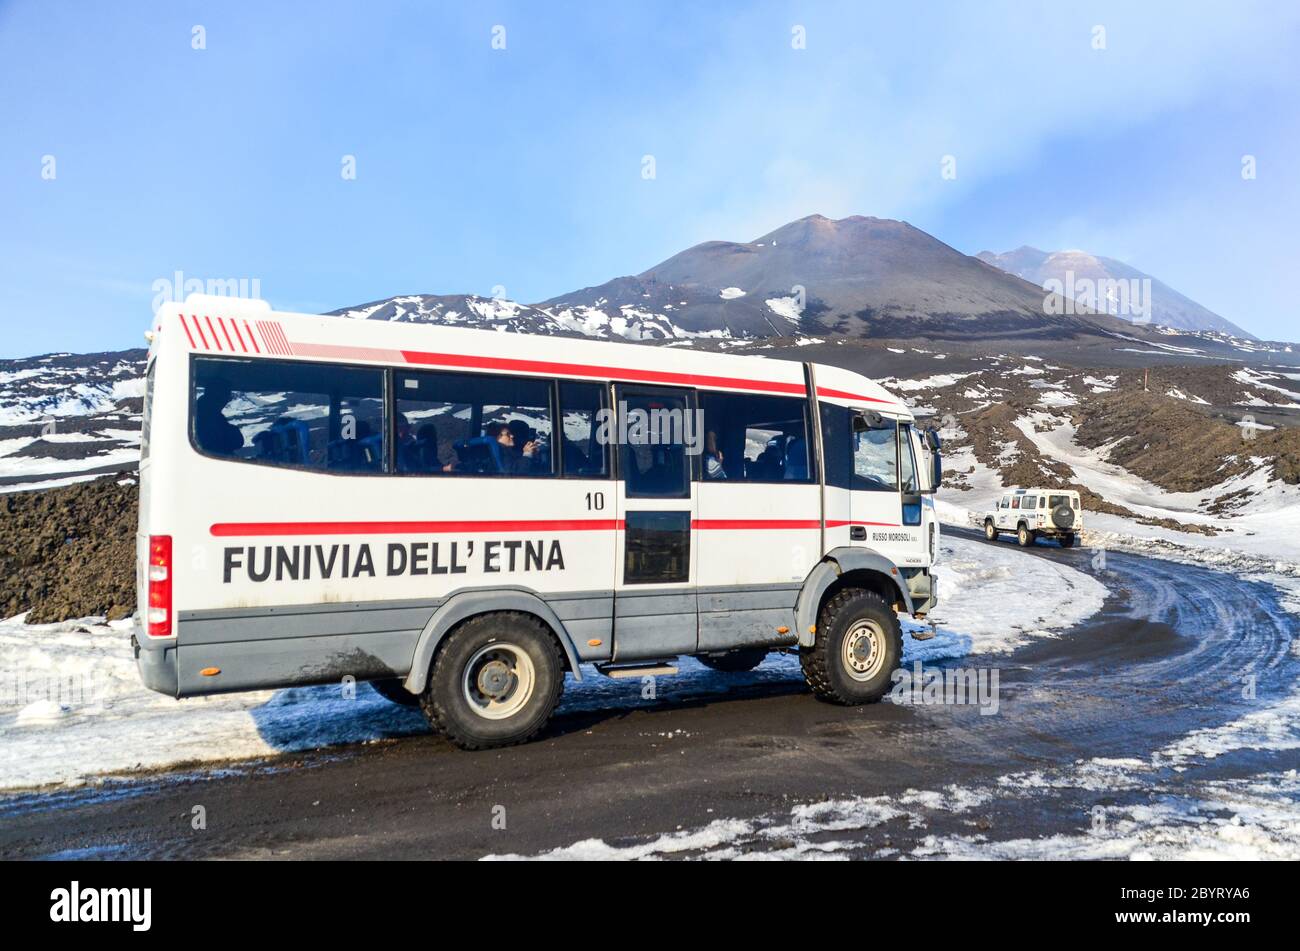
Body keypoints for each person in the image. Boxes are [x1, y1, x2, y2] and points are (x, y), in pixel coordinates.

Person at [194, 383, 243, 455]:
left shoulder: (210, 413)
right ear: (217, 396)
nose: (226, 401)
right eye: (226, 396)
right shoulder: (207, 416)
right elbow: (234, 441)